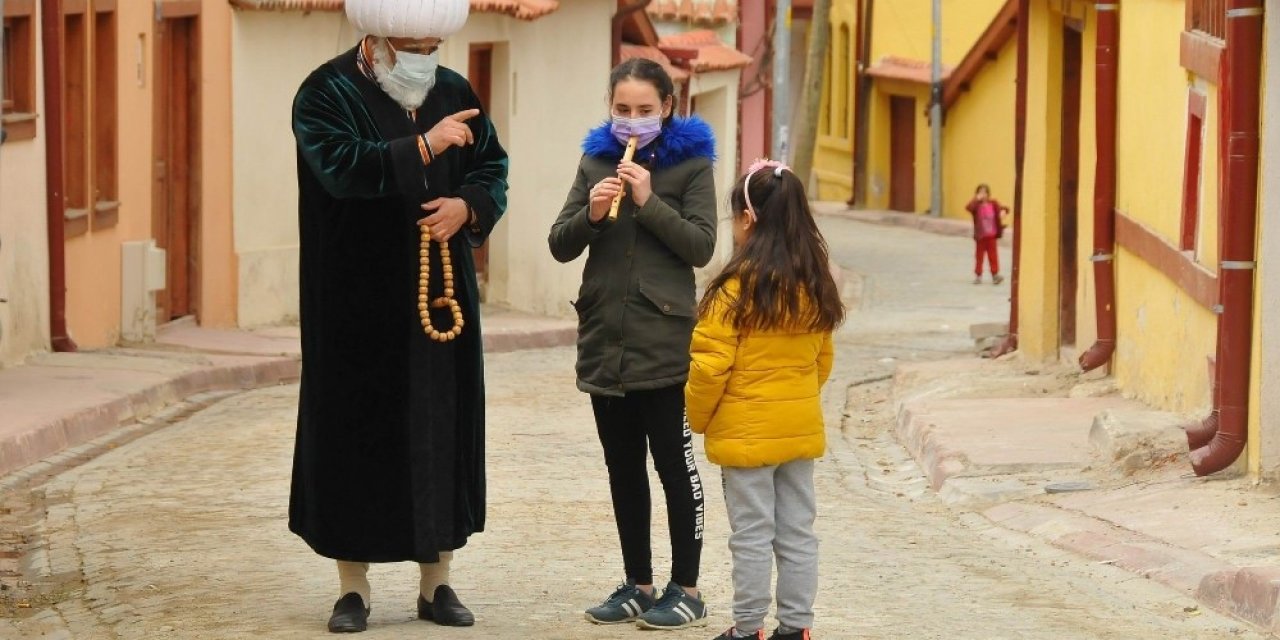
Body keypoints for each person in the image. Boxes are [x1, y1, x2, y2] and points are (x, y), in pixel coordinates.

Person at [288, 0, 508, 633]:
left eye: (430, 49)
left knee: (440, 426)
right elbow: (340, 168)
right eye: (411, 48)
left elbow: (492, 167)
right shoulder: (324, 91)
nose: (422, 60)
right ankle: (351, 589)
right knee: (355, 432)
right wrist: (424, 145)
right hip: (353, 299)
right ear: (378, 38)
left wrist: (468, 207)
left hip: (439, 299)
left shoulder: (455, 89)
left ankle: (436, 582)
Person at [547, 58, 718, 630]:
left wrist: (648, 201)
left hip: (663, 339)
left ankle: (686, 588)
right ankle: (639, 584)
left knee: (674, 467)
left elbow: (700, 246)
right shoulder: (595, 159)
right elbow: (560, 244)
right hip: (604, 337)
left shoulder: (690, 164)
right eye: (623, 110)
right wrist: (593, 214)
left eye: (645, 111)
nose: (633, 121)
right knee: (623, 467)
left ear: (666, 107)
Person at [686, 159, 845, 640]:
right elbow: (822, 361)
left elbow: (708, 368)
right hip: (797, 434)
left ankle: (747, 628)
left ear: (748, 219)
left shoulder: (733, 291)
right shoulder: (814, 287)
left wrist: (699, 418)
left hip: (746, 438)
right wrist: (794, 401)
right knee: (798, 533)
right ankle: (796, 627)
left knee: (751, 535)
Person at [964, 183, 1009, 285]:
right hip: (981, 236)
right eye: (980, 192)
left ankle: (995, 275)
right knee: (979, 256)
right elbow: (968, 208)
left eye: (985, 192)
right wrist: (976, 199)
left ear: (988, 193)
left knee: (993, 256)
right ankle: (978, 275)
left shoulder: (993, 203)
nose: (983, 194)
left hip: (991, 235)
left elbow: (1004, 209)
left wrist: (1003, 212)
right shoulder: (976, 206)